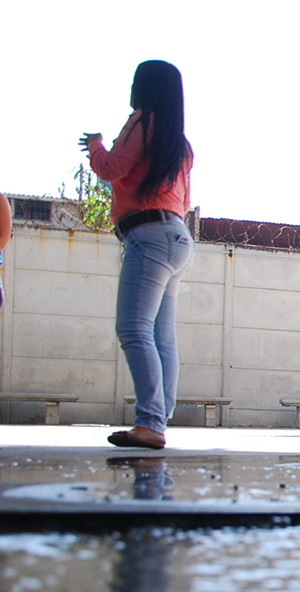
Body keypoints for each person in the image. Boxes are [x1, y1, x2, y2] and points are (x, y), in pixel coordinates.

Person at [82, 61, 194, 449]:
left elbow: (112, 168)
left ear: (143, 88)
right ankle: (159, 417)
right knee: (162, 334)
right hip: (177, 235)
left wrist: (95, 144)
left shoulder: (142, 122)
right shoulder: (179, 143)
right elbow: (184, 199)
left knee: (133, 328)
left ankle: (150, 422)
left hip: (148, 234)